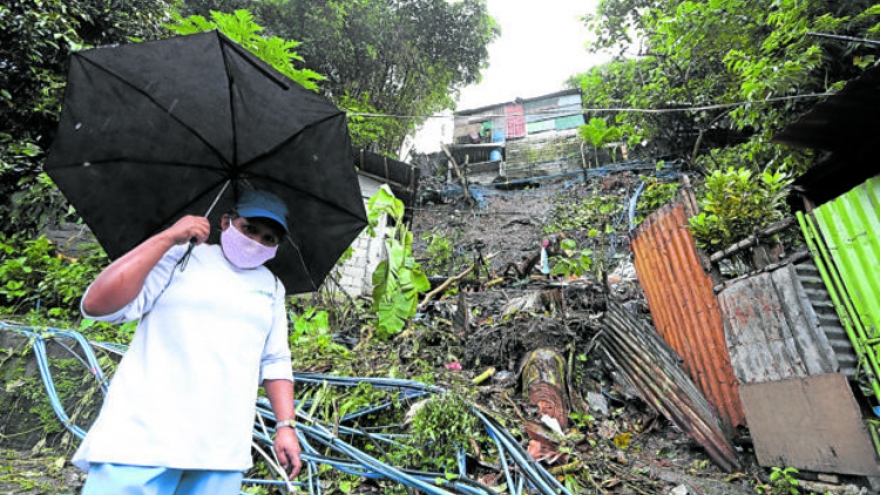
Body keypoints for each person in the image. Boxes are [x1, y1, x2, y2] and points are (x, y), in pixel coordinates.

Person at [73, 190, 301, 494]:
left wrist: (285, 425)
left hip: (220, 452)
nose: (256, 242)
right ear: (226, 222)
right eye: (249, 229)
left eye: (269, 238)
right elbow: (97, 305)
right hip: (142, 439)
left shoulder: (271, 286)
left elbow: (275, 360)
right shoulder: (181, 257)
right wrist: (168, 238)